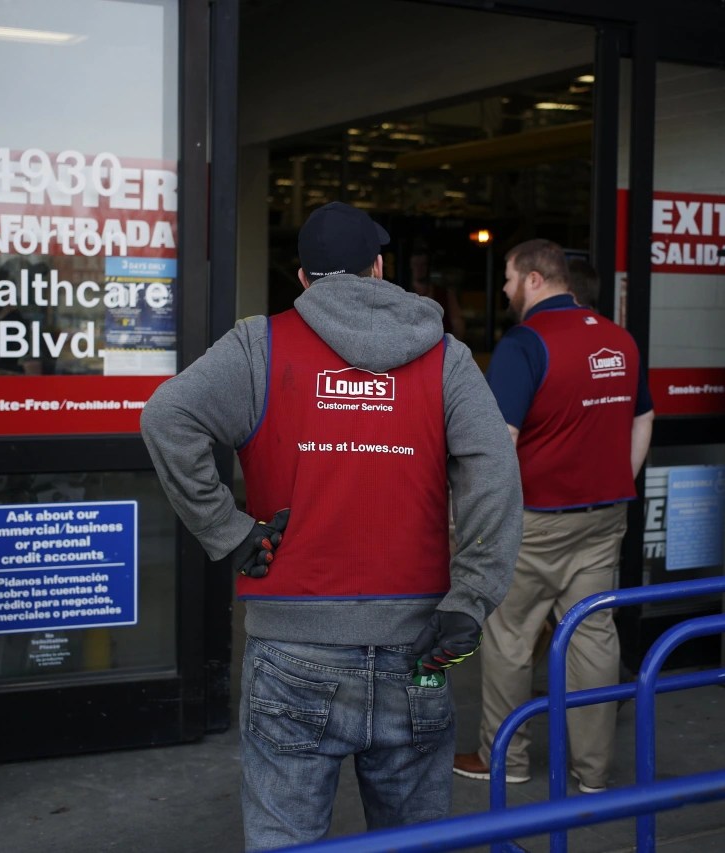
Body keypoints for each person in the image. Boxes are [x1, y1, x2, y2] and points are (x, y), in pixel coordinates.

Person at [140, 201, 522, 850]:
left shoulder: (259, 346)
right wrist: (472, 598)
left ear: (302, 278)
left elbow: (165, 419)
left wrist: (228, 529)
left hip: (291, 651)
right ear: (379, 268)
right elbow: (495, 475)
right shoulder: (446, 357)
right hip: (422, 650)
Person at [453, 242, 654, 792]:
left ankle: (506, 761)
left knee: (509, 638)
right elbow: (644, 416)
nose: (504, 290)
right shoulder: (620, 340)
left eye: (510, 279)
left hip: (534, 522)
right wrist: (618, 480)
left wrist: (473, 517)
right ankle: (592, 773)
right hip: (604, 516)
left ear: (536, 280)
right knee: (592, 637)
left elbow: (499, 445)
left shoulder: (524, 345)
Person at [407, 239, 466, 341]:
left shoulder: (445, 294)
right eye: (416, 264)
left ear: (428, 267)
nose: (419, 269)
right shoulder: (402, 294)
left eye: (423, 265)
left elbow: (458, 326)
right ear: (411, 266)